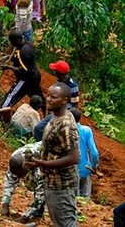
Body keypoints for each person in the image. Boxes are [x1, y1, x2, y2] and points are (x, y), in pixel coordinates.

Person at [30, 83, 80, 227]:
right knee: (59, 221)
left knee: (66, 223)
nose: (49, 99)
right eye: (48, 95)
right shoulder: (54, 117)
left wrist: (43, 163)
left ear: (65, 100)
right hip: (51, 181)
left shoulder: (66, 124)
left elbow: (73, 157)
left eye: (53, 97)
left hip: (62, 184)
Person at [35, 60, 80, 141]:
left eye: (55, 70)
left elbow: (75, 105)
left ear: (60, 73)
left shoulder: (72, 86)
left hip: (64, 114)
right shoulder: (58, 82)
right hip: (55, 112)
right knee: (38, 129)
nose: (54, 71)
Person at [0, 30, 43, 114]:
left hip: (25, 79)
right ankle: (47, 114)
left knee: (10, 96)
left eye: (12, 42)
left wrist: (8, 67)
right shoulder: (26, 44)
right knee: (39, 99)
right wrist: (8, 57)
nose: (11, 44)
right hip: (34, 77)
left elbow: (23, 70)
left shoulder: (24, 52)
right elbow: (19, 58)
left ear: (17, 40)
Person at [0, 141, 45, 222]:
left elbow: (41, 193)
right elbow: (9, 182)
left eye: (20, 175)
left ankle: (38, 214)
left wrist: (25, 217)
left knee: (49, 191)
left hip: (59, 160)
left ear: (27, 168)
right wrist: (5, 205)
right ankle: (36, 213)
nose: (19, 178)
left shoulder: (38, 166)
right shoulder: (15, 159)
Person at [71, 109, 98, 199]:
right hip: (85, 168)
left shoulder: (65, 131)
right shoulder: (86, 131)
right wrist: (93, 167)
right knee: (85, 200)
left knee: (73, 199)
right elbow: (94, 153)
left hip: (70, 170)